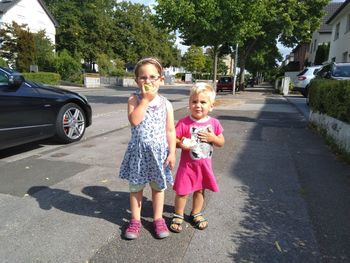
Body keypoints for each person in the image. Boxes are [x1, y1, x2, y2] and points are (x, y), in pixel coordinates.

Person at [119, 57, 176, 239]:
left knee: (158, 188)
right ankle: (135, 220)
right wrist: (145, 100)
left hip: (159, 154)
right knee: (136, 187)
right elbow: (135, 120)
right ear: (137, 81)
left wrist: (173, 152)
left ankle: (158, 219)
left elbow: (170, 130)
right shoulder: (134, 99)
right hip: (139, 154)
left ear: (161, 79)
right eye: (143, 77)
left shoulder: (166, 104)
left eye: (153, 77)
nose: (148, 81)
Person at [170, 82, 225, 233]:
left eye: (203, 102)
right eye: (194, 102)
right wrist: (182, 143)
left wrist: (213, 138)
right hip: (187, 166)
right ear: (189, 104)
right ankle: (178, 214)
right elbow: (173, 141)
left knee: (200, 191)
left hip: (204, 166)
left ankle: (196, 213)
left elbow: (221, 142)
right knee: (182, 191)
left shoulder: (214, 123)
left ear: (211, 106)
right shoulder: (184, 123)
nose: (198, 105)